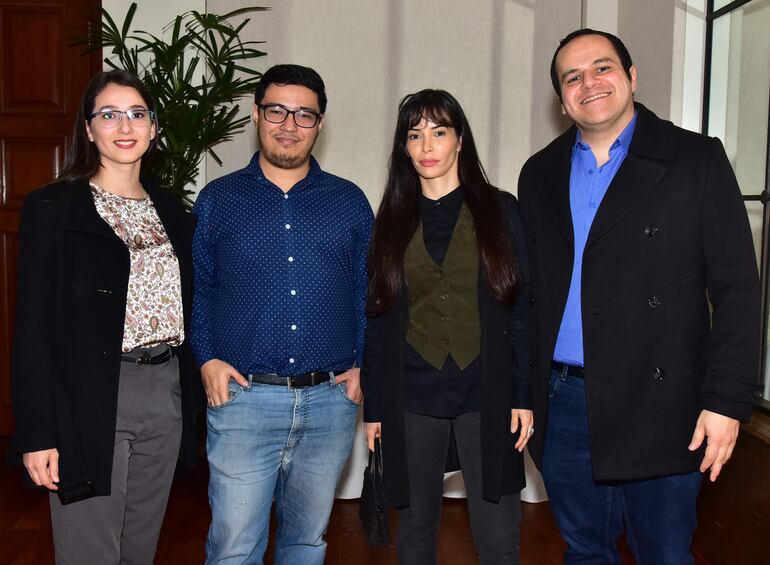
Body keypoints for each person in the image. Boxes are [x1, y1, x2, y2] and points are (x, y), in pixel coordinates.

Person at [518, 29, 762, 564]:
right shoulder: (538, 173)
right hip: (564, 402)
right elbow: (529, 295)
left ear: (631, 77)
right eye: (572, 77)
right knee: (584, 550)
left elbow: (739, 288)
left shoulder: (696, 158)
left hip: (665, 404)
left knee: (665, 554)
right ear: (561, 99)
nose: (590, 83)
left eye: (602, 68)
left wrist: (726, 401)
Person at [12, 69, 199, 564]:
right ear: (89, 129)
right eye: (109, 114)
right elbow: (32, 331)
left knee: (140, 549)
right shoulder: (52, 209)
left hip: (165, 394)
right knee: (89, 552)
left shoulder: (176, 215)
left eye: (137, 113)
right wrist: (37, 435)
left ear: (154, 128)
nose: (125, 125)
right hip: (88, 395)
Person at [192, 63, 373, 564]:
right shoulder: (218, 200)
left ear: (320, 123)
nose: (289, 124)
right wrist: (206, 358)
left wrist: (363, 362)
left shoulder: (349, 202)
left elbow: (368, 290)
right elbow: (199, 288)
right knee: (234, 547)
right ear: (256, 114)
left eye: (304, 114)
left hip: (331, 402)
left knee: (306, 541)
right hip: (243, 401)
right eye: (277, 110)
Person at [362, 89, 533, 564]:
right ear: (404, 147)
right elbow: (376, 318)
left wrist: (523, 393)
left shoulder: (501, 210)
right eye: (414, 136)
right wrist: (374, 408)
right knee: (416, 528)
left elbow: (522, 308)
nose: (426, 146)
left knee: (498, 532)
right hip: (412, 394)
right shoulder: (391, 219)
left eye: (439, 132)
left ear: (460, 140)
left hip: (487, 391)